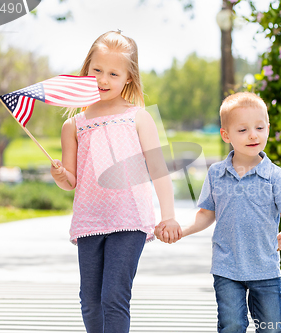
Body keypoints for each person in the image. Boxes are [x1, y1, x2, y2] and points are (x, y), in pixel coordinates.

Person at [50, 31, 182, 333]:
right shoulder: (73, 125)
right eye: (97, 70)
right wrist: (60, 175)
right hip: (89, 220)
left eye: (113, 73)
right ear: (86, 70)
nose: (103, 79)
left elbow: (158, 169)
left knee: (114, 296)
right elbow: (70, 181)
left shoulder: (138, 118)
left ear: (128, 79)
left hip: (130, 219)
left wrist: (169, 215)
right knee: (89, 299)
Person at [156, 92, 281, 333]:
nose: (253, 135)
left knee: (271, 328)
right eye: (242, 130)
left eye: (259, 127)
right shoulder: (216, 174)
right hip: (227, 267)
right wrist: (183, 230)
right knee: (231, 325)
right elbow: (206, 214)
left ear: (268, 129)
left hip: (265, 267)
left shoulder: (274, 175)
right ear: (226, 135)